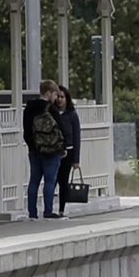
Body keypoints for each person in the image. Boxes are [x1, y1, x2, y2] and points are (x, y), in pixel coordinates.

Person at [22, 79, 72, 220]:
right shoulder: (51, 109)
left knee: (34, 181)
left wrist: (32, 145)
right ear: (49, 93)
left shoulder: (29, 108)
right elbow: (60, 129)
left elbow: (26, 130)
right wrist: (62, 147)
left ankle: (32, 212)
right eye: (55, 95)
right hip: (51, 151)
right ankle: (48, 211)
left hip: (34, 150)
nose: (56, 98)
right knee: (50, 181)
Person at [56, 86, 82, 217]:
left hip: (69, 151)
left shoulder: (72, 115)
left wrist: (76, 159)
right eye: (58, 97)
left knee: (63, 182)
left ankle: (61, 209)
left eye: (62, 97)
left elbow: (77, 136)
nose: (60, 100)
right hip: (54, 151)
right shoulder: (52, 113)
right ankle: (48, 208)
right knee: (52, 180)